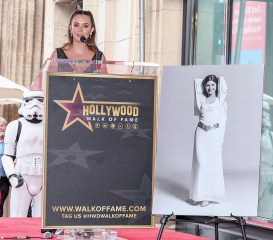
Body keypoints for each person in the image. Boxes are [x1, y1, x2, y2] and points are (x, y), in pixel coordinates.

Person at [31, 10, 107, 90]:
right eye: (76, 25)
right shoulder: (57, 55)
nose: (80, 30)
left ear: (92, 30)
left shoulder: (99, 57)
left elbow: (105, 90)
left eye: (85, 26)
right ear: (70, 28)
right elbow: (49, 87)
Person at [2, 90, 44, 217]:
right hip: (22, 176)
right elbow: (7, 156)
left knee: (41, 223)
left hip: (43, 178)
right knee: (17, 220)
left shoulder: (50, 126)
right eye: (30, 100)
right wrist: (12, 175)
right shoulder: (15, 126)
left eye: (40, 100)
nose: (35, 104)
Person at [189, 74, 228, 207]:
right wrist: (204, 82)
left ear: (217, 86)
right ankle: (198, 195)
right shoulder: (201, 100)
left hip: (213, 134)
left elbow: (223, 121)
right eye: (207, 85)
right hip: (200, 133)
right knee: (200, 162)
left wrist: (221, 140)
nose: (210, 87)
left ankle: (207, 196)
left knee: (211, 164)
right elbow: (196, 83)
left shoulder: (221, 100)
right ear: (204, 87)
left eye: (213, 84)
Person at [258, 101, 273, 218]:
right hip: (253, 180)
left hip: (268, 182)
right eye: (263, 113)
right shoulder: (251, 135)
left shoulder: (272, 136)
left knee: (264, 215)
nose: (265, 116)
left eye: (266, 113)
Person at [0, 117, 9, 217]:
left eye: (2, 126)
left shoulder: (10, 142)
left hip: (5, 179)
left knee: (1, 201)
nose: (0, 128)